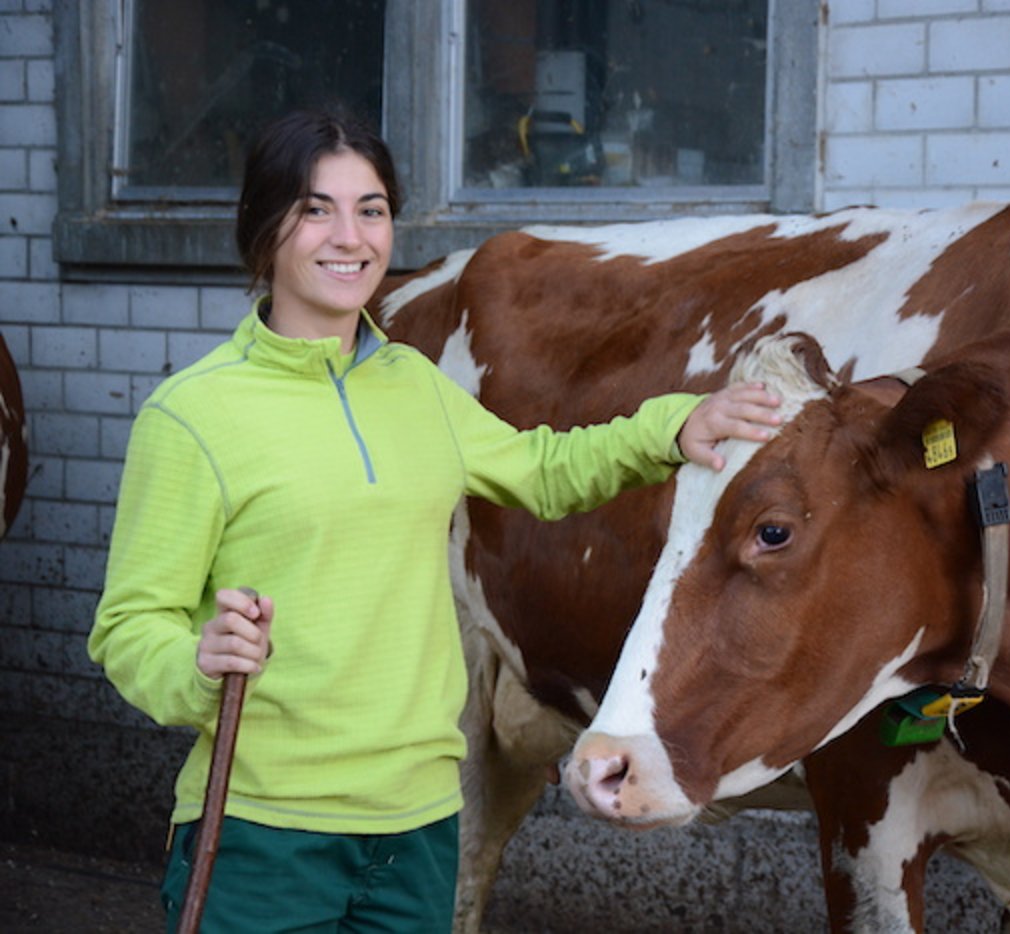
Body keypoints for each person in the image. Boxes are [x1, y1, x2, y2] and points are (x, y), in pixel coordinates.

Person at [88, 108, 781, 933]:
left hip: (416, 830)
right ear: (263, 226)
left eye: (372, 209)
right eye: (317, 208)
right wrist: (197, 664)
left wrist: (671, 427)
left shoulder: (413, 386)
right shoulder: (193, 414)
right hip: (263, 833)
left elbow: (544, 470)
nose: (351, 236)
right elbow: (129, 628)